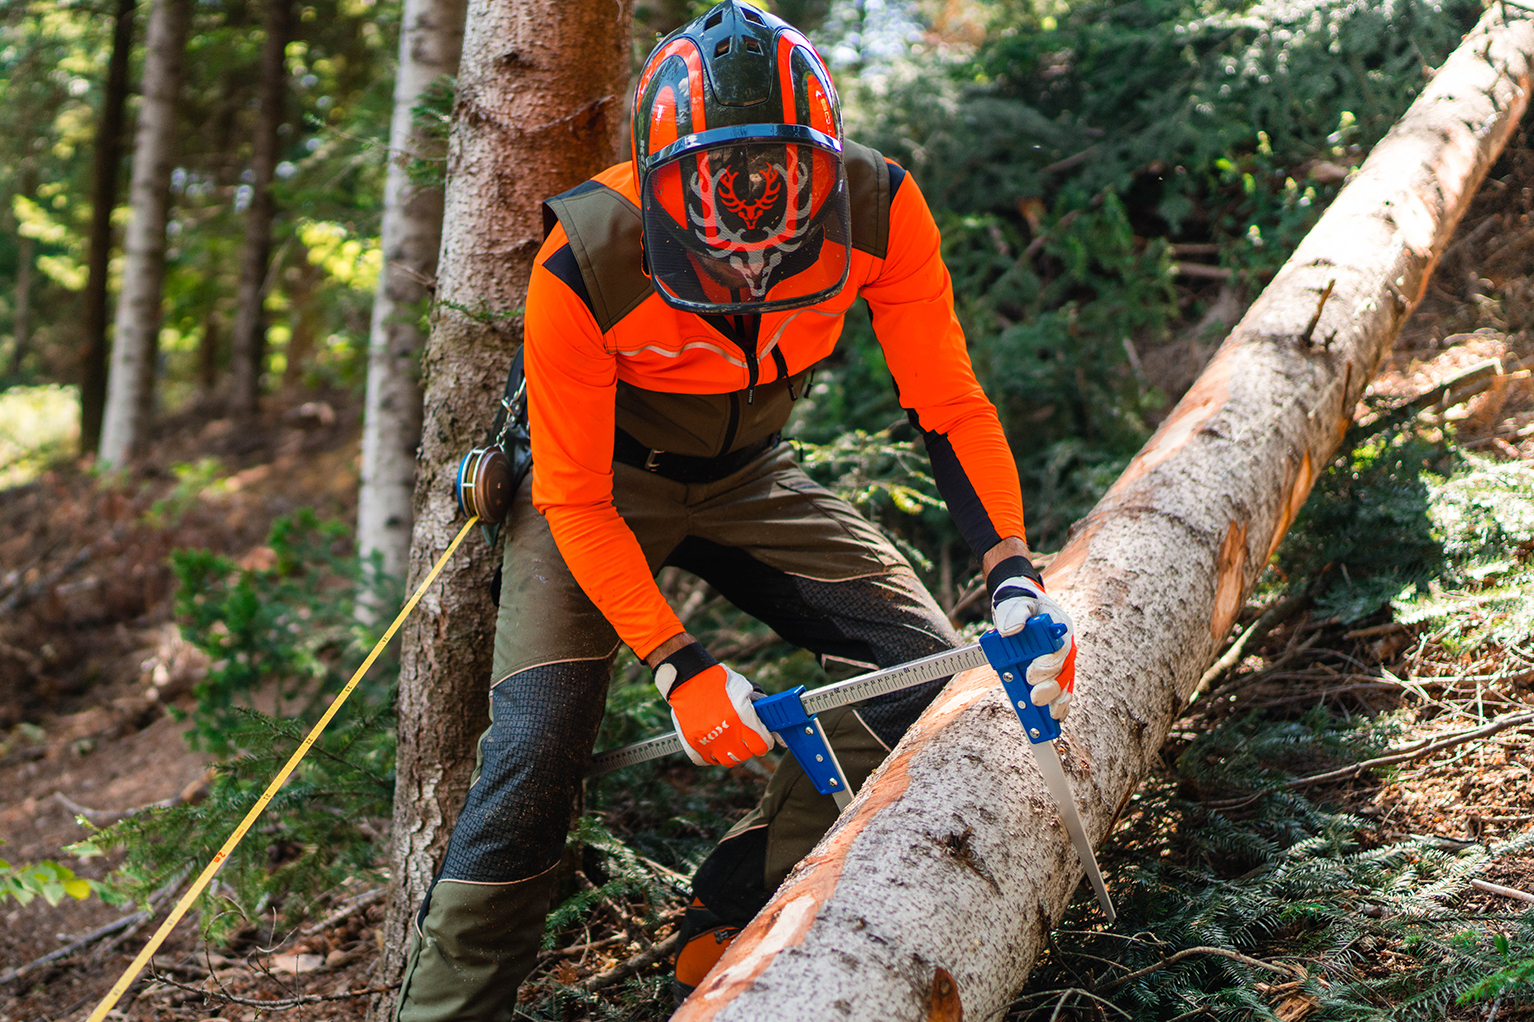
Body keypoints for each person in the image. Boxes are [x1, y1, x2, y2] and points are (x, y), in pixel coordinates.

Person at [393, 3, 1078, 1019]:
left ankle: (735, 915)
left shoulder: (883, 209)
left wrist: (1012, 574)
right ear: (662, 171)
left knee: (914, 675)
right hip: (599, 490)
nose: (750, 219)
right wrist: (680, 663)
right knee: (538, 746)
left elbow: (949, 404)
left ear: (821, 159)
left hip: (752, 472)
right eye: (720, 184)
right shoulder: (583, 261)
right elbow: (573, 496)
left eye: (778, 179)